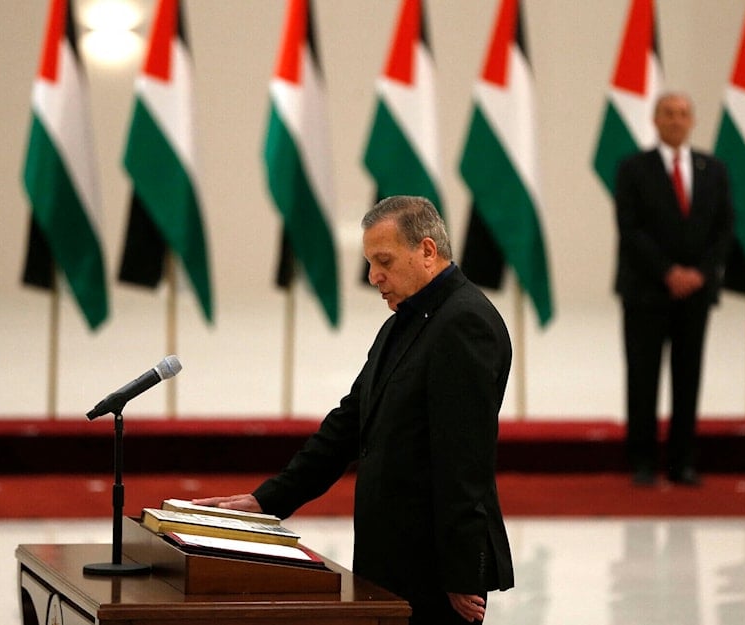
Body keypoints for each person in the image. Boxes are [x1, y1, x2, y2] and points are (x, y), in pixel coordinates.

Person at [194, 195, 514, 624]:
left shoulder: (464, 324)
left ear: (427, 251)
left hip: (433, 571)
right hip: (389, 559)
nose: (373, 276)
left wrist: (461, 573)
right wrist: (266, 499)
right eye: (368, 262)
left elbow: (463, 460)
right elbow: (348, 424)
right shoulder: (405, 321)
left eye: (383, 261)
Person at [613, 92, 733, 487]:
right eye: (668, 113)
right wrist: (668, 271)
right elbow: (630, 230)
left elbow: (724, 228)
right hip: (646, 291)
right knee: (642, 377)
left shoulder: (713, 169)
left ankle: (683, 462)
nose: (676, 120)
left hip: (695, 294)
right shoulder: (632, 169)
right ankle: (642, 461)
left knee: (688, 377)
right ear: (655, 119)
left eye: (683, 113)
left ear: (692, 120)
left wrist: (699, 273)